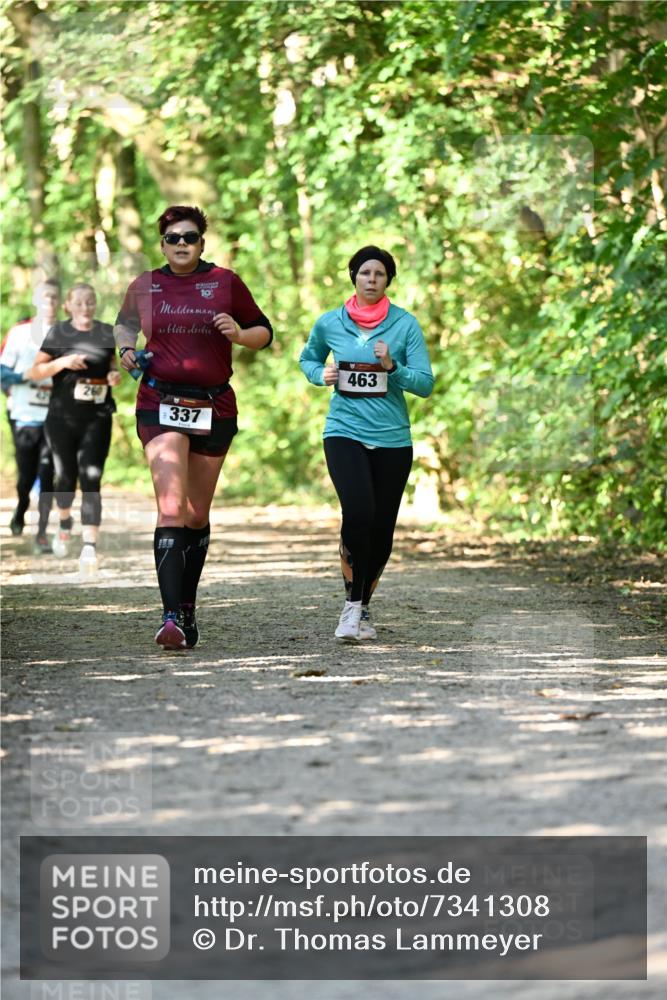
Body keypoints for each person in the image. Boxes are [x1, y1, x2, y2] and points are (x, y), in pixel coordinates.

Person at [114, 205, 273, 650]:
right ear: (162, 244)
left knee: (195, 514)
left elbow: (263, 331)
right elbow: (124, 325)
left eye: (189, 237)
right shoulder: (146, 285)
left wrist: (238, 335)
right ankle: (170, 618)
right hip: (159, 401)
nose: (181, 244)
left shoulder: (225, 282)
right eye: (173, 238)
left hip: (213, 404)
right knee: (170, 508)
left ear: (202, 243)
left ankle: (186, 605)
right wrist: (126, 350)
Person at [300, 245, 434, 641]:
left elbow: (425, 384)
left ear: (388, 280)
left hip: (392, 438)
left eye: (379, 274)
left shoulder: (405, 325)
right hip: (344, 432)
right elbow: (308, 359)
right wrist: (319, 374)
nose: (371, 280)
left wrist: (393, 368)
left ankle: (363, 607)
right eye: (364, 273)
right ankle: (352, 607)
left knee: (382, 529)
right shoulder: (330, 323)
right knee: (358, 513)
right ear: (354, 277)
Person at [29, 283, 120, 572]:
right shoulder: (58, 333)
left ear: (96, 303)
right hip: (61, 418)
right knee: (66, 478)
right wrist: (63, 362)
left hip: (98, 417)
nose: (85, 307)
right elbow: (35, 372)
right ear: (68, 306)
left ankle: (89, 547)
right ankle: (65, 520)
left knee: (91, 477)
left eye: (90, 302)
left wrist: (114, 375)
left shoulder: (106, 332)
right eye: (79, 302)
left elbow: (111, 364)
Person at [0, 279, 60, 552]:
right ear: (36, 300)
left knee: (48, 473)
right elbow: (2, 371)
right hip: (24, 414)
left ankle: (42, 532)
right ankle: (22, 505)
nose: (50, 302)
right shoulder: (20, 332)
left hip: (55, 416)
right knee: (26, 475)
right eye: (45, 297)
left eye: (54, 297)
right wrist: (25, 378)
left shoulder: (67, 333)